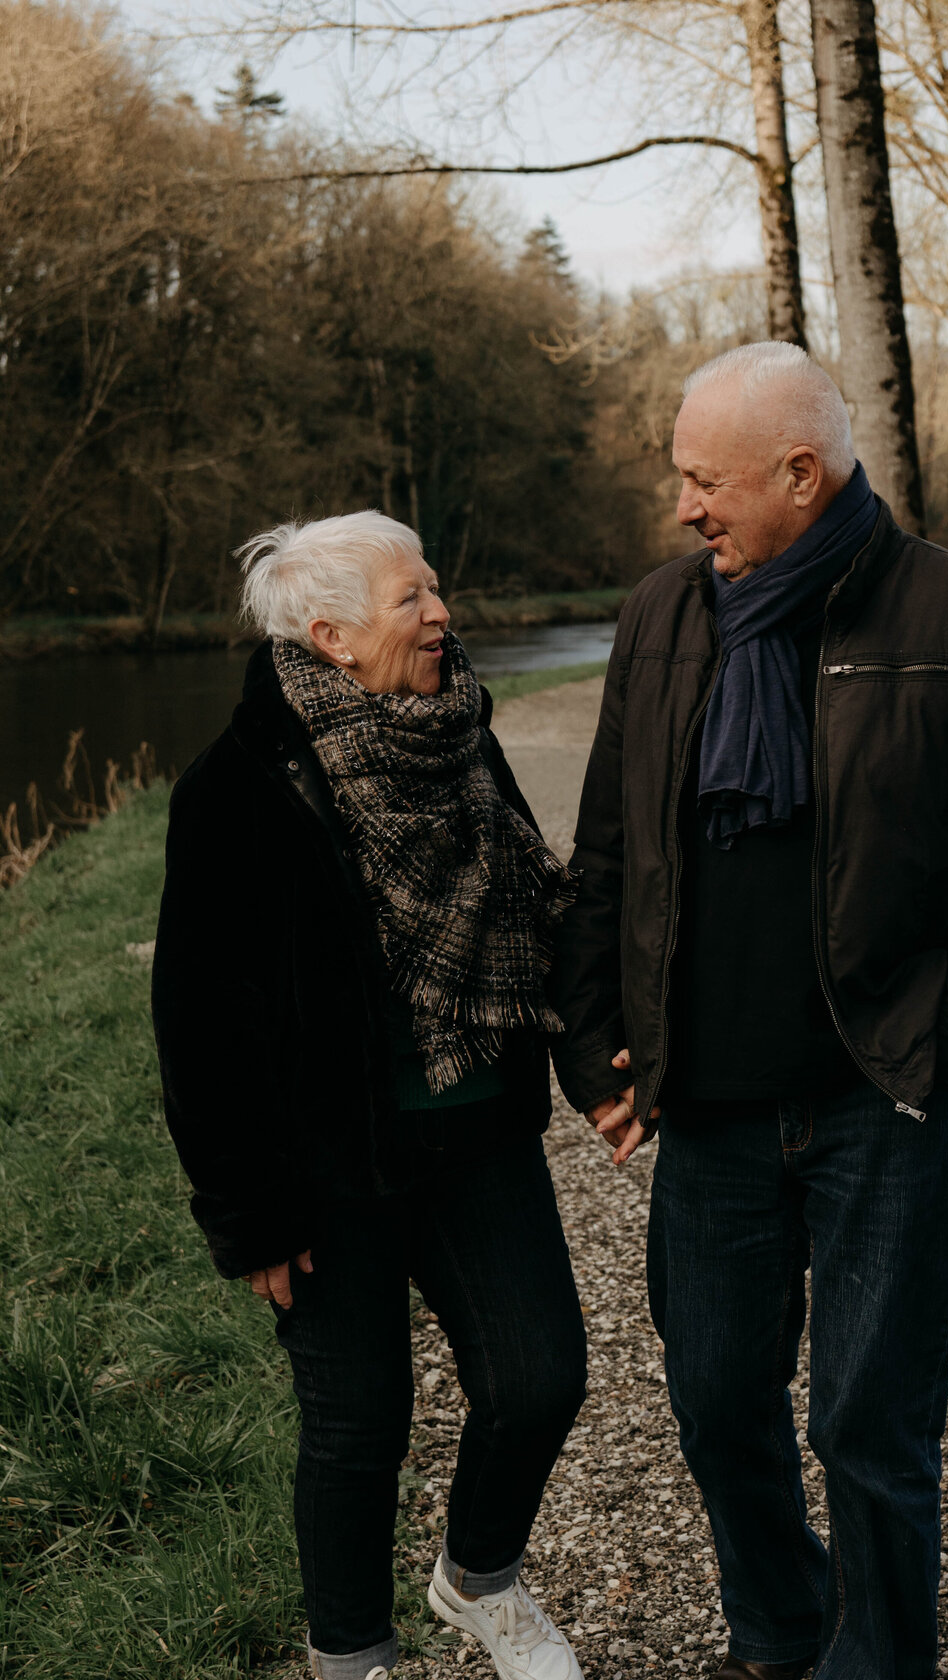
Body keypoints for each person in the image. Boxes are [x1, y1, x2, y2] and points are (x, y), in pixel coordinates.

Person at [550, 343, 948, 1679]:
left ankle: (879, 1658)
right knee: (719, 1405)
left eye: (704, 482)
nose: (687, 508)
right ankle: (785, 1627)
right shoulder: (663, 616)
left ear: (802, 474)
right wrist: (590, 1044)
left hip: (882, 1103)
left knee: (870, 1422)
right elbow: (611, 854)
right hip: (714, 1116)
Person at [152, 511, 587, 1680]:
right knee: (359, 1430)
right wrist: (247, 1216)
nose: (443, 613)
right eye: (414, 599)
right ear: (333, 636)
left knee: (544, 1377)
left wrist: (599, 1067)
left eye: (435, 589)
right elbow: (201, 1025)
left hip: (479, 1131)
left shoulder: (463, 734)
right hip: (327, 1168)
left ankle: (479, 1580)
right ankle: (353, 1656)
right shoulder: (240, 789)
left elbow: (538, 919)